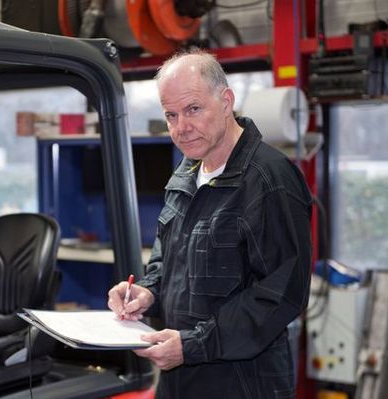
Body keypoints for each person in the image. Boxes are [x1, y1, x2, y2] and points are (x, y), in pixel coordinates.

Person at [108, 49, 312, 398]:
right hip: (179, 378)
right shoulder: (186, 173)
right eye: (170, 115)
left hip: (243, 382)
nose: (181, 128)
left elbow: (280, 293)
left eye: (193, 109)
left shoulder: (269, 179)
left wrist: (194, 345)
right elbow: (167, 263)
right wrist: (146, 293)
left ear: (226, 101)